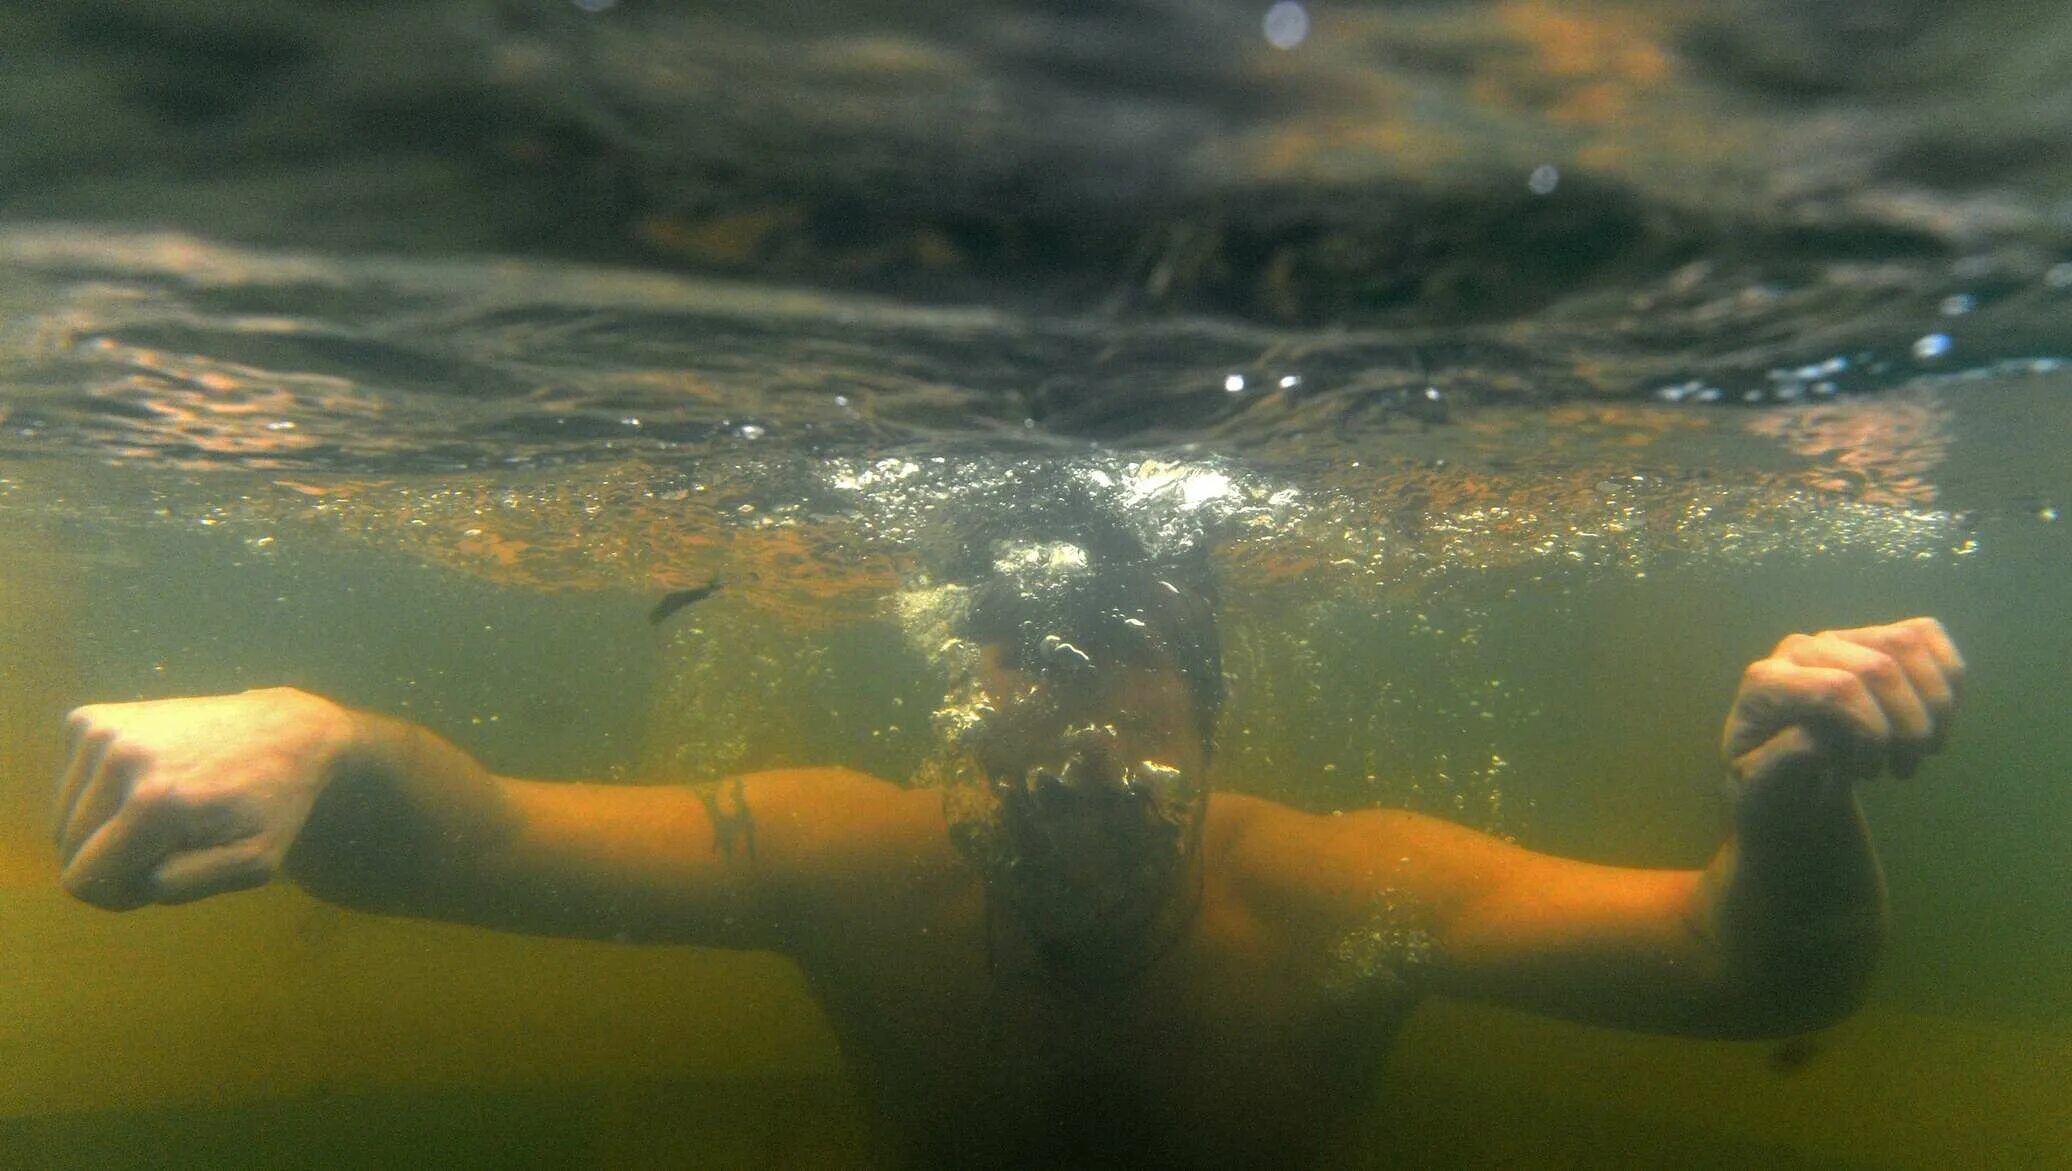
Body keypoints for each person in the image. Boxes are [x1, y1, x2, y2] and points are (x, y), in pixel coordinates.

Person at [49, 534, 1964, 1169]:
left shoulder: (1337, 891)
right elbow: (474, 841)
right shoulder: (855, 858)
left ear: (1209, 735)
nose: (1065, 813)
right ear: (956, 739)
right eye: (1017, 763)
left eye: (1124, 761)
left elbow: (1746, 971)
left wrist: (1787, 814)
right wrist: (328, 744)